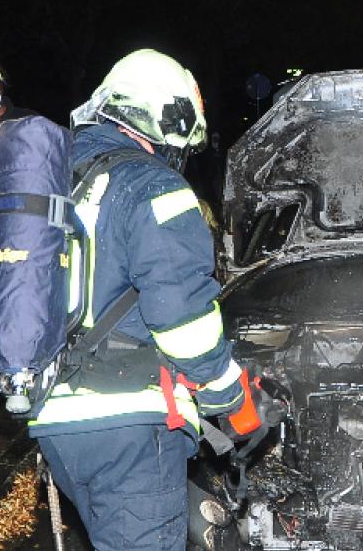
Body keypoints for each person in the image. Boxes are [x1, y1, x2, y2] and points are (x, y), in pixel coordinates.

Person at [27, 49, 255, 550]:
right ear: (165, 122)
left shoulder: (60, 181)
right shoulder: (154, 184)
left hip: (57, 425)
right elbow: (183, 318)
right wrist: (230, 392)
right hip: (128, 427)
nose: (181, 157)